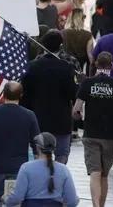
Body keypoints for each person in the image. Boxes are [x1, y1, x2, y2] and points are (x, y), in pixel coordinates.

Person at [73, 52, 113, 206]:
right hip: (109, 135)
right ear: (112, 66)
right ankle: (100, 205)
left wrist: (78, 117)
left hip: (91, 133)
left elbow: (76, 109)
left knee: (95, 173)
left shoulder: (87, 83)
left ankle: (95, 204)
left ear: (95, 64)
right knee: (104, 175)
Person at [0, 82, 40, 207]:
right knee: (16, 200)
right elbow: (36, 141)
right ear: (21, 95)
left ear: (3, 94)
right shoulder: (29, 115)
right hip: (19, 167)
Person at [22, 30, 77, 164]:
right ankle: (57, 180)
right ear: (60, 46)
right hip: (61, 119)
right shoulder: (67, 67)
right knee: (61, 155)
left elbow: (25, 95)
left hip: (38, 118)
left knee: (38, 154)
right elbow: (72, 93)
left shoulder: (32, 67)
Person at [5, 132, 80, 207]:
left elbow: (17, 197)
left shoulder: (26, 168)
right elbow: (72, 201)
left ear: (37, 147)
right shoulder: (63, 169)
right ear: (54, 148)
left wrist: (6, 200)